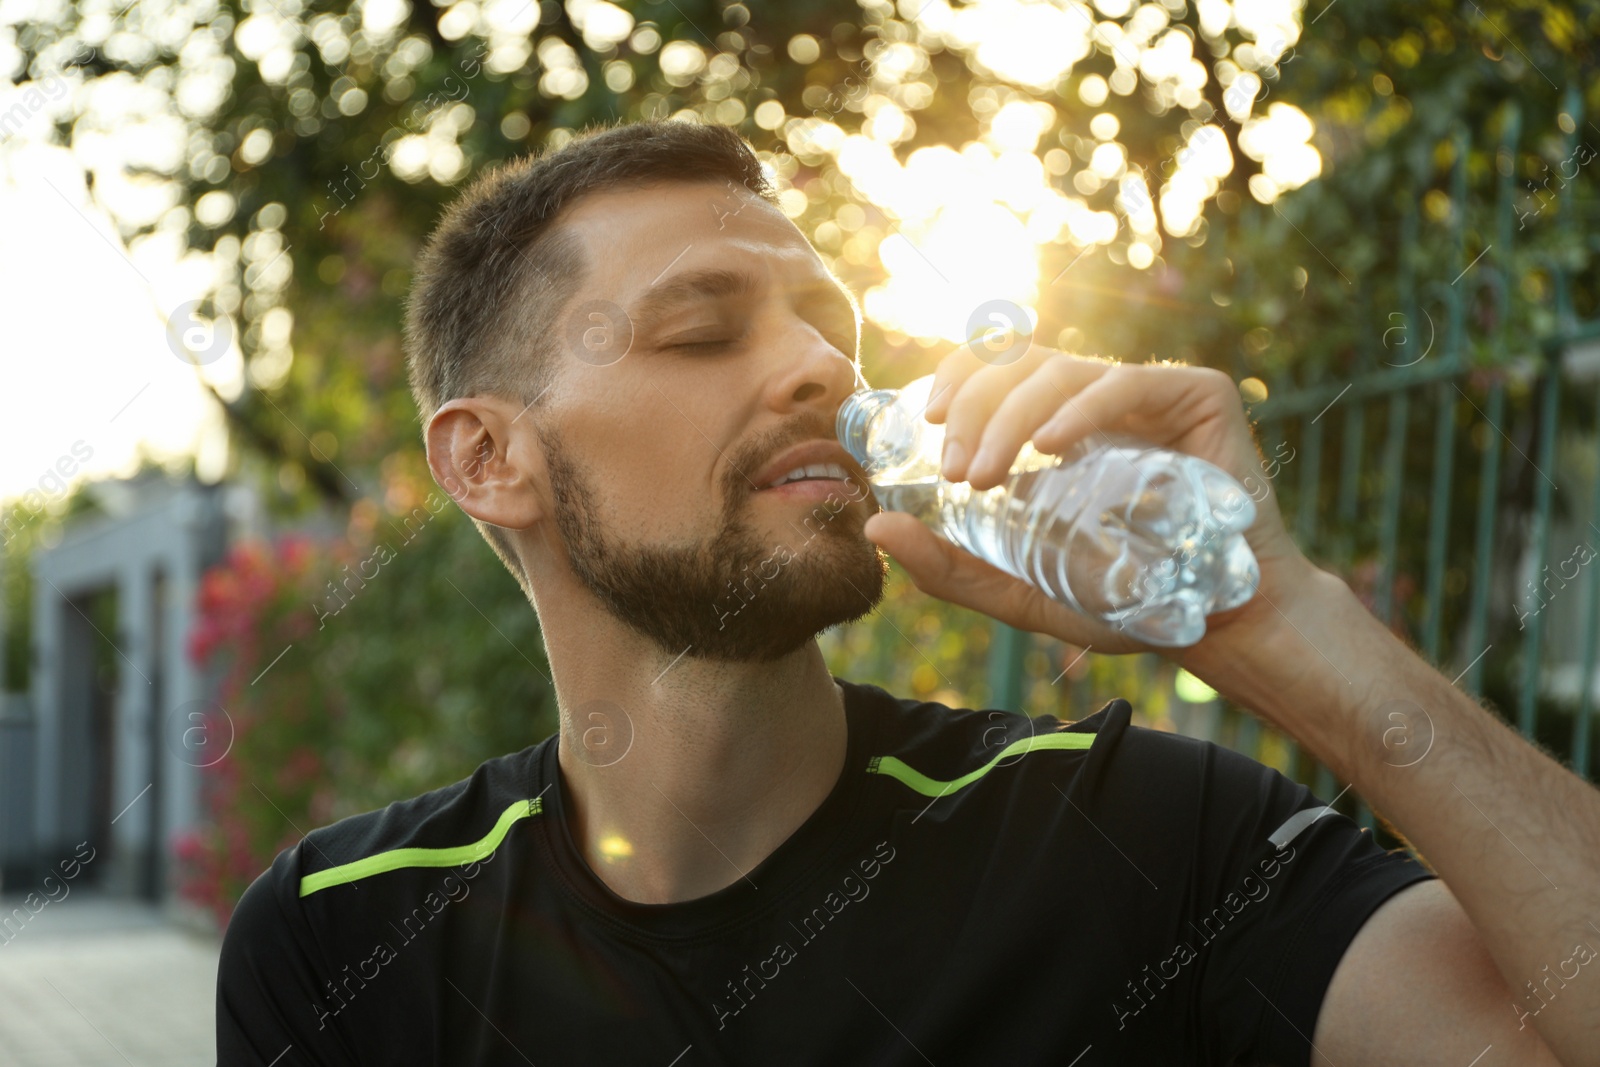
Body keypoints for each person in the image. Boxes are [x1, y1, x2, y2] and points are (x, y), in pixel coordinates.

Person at [216, 120, 1596, 1066]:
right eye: (704, 329)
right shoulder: (350, 941)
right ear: (488, 458)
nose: (821, 364)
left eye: (830, 323)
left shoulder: (1144, 847)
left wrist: (1285, 628)